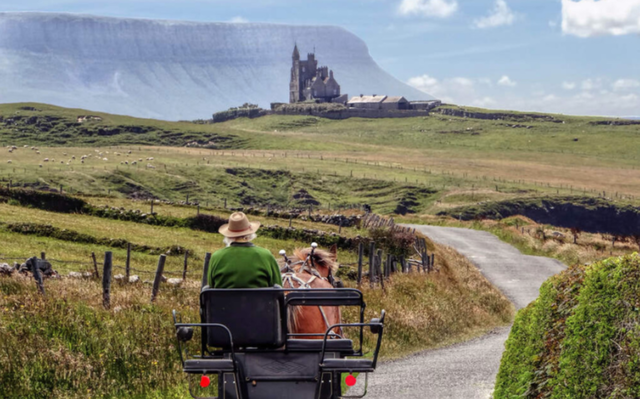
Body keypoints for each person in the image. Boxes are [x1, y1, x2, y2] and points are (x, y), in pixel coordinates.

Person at [207, 212, 282, 289]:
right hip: (260, 301)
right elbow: (278, 287)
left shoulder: (216, 257)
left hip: (222, 301)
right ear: (250, 234)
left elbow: (211, 286)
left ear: (229, 235)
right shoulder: (266, 255)